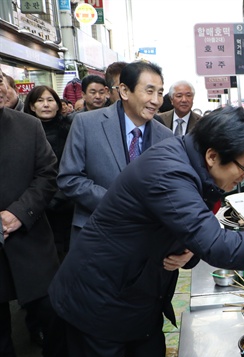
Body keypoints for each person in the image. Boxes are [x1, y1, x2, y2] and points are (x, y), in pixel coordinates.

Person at [48, 106, 244, 357]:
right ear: (212, 156)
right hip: (99, 299)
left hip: (141, 295)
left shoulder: (193, 163)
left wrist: (189, 251)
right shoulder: (168, 171)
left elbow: (191, 228)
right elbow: (217, 245)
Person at [0, 74, 70, 357]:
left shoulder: (27, 127)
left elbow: (47, 173)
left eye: (0, 79)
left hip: (29, 239)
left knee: (55, 313)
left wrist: (20, 212)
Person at [58, 61, 174, 247]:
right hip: (96, 237)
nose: (156, 100)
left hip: (146, 242)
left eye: (160, 93)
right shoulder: (86, 124)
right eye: (149, 91)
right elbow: (69, 178)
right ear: (125, 91)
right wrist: (118, 203)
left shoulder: (166, 136)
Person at [24, 86, 74, 262]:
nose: (46, 105)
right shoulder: (23, 131)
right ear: (31, 106)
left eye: (50, 100)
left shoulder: (71, 129)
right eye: (40, 100)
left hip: (68, 202)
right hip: (35, 205)